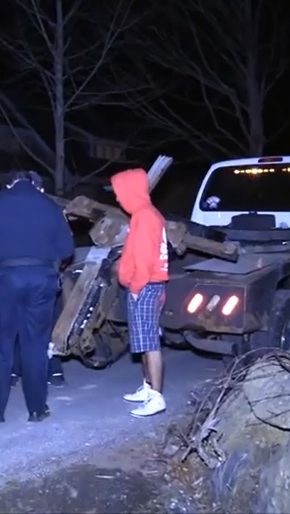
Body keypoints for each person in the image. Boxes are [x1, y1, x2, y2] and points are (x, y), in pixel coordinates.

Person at [0, 170, 75, 423]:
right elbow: (66, 249)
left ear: (9, 183)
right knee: (36, 345)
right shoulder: (50, 206)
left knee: (0, 346)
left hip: (6, 278)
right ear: (35, 186)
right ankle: (37, 408)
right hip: (42, 280)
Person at [110, 168, 169, 417]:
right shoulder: (143, 215)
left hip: (146, 285)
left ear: (130, 191)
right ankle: (148, 388)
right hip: (145, 285)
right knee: (144, 341)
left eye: (118, 193)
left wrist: (135, 286)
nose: (116, 198)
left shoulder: (145, 217)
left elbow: (145, 258)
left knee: (150, 343)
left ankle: (156, 397)